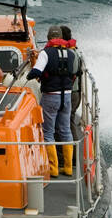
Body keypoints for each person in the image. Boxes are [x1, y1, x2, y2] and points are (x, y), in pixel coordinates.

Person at [27, 25, 78, 177]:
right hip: (67, 96)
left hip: (51, 96)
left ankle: (53, 168)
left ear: (49, 38)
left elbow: (37, 71)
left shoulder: (45, 53)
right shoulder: (71, 53)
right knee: (65, 130)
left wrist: (28, 76)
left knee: (48, 131)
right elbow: (75, 72)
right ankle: (68, 167)